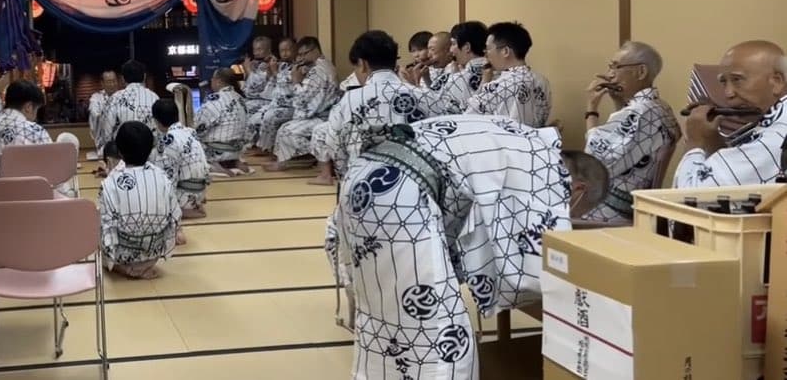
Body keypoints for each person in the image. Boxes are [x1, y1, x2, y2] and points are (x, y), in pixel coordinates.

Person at [327, 115, 608, 380]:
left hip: (366, 176)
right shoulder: (548, 173)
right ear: (578, 190)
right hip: (401, 198)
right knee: (441, 339)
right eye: (576, 212)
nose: (567, 215)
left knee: (386, 324)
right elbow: (529, 270)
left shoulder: (525, 141)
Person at [309, 30, 442, 185]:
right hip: (417, 182)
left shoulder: (350, 100)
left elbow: (335, 145)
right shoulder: (425, 95)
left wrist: (347, 176)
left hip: (365, 182)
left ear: (363, 64)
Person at [582, 41, 680, 221]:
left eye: (615, 67)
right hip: (629, 206)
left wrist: (591, 109)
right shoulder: (659, 107)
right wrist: (619, 103)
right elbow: (627, 143)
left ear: (641, 72)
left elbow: (595, 160)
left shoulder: (641, 111)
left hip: (610, 210)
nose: (610, 75)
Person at [674, 40, 787, 187]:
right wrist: (710, 139)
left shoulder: (776, 136)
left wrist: (695, 141)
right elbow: (734, 173)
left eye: (737, 80)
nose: (728, 93)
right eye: (724, 82)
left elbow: (689, 197)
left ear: (777, 82)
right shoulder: (771, 119)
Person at [99, 121, 181, 280]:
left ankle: (127, 269)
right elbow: (175, 217)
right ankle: (145, 265)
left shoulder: (110, 182)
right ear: (150, 149)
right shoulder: (162, 176)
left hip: (123, 255)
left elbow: (106, 226)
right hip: (155, 251)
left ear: (120, 152)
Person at [265, 37, 340, 171]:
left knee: (286, 130)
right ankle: (292, 160)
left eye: (303, 54)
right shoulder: (320, 66)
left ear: (314, 50)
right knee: (285, 127)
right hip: (320, 113)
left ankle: (314, 157)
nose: (300, 58)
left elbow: (305, 99)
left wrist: (296, 81)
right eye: (299, 55)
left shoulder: (319, 71)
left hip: (322, 116)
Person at [467, 22, 552, 127]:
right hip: (533, 142)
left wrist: (484, 82)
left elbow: (469, 116)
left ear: (505, 51)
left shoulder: (498, 86)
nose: (486, 53)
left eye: (488, 48)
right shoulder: (542, 81)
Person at [0, 80, 51, 178]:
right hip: (25, 191)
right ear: (28, 107)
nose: (35, 116)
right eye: (37, 110)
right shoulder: (37, 132)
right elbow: (49, 168)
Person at [151, 99, 210, 219]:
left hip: (184, 195)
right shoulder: (190, 132)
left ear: (156, 121)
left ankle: (181, 211)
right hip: (200, 191)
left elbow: (167, 179)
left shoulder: (168, 141)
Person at [194, 68, 251, 176]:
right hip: (237, 148)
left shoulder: (215, 98)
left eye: (212, 79)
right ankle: (234, 161)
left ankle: (215, 165)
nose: (211, 82)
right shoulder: (241, 98)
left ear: (218, 81)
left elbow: (200, 126)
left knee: (190, 138)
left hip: (218, 150)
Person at [246, 37, 297, 154]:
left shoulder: (298, 67)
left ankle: (265, 148)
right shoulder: (282, 66)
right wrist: (270, 73)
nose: (284, 53)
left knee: (269, 117)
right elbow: (270, 89)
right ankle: (255, 145)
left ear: (295, 49)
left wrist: (274, 72)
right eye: (281, 50)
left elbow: (290, 88)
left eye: (287, 50)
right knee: (254, 119)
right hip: (275, 102)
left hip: (290, 105)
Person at [101, 60, 159, 144]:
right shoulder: (154, 97)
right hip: (150, 151)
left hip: (123, 152)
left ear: (123, 78)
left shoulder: (115, 98)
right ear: (144, 76)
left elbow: (107, 130)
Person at [242, 36, 276, 116]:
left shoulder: (271, 62)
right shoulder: (256, 63)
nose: (256, 53)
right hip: (252, 99)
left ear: (268, 50)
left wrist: (248, 70)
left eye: (259, 49)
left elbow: (257, 85)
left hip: (264, 100)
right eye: (254, 50)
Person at [89, 69, 120, 154]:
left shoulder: (122, 96)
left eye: (114, 81)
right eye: (109, 81)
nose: (112, 84)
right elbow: (95, 113)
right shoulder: (96, 98)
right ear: (102, 83)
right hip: (104, 143)